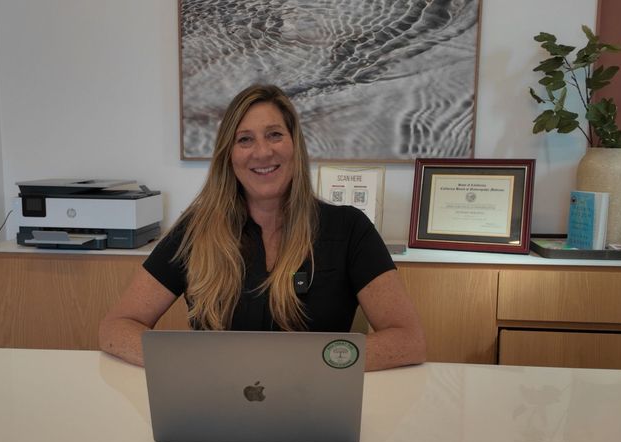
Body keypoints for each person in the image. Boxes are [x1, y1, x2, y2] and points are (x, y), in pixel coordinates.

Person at [99, 84, 426, 371]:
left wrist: (314, 364)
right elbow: (116, 327)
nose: (262, 152)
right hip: (217, 408)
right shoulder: (195, 230)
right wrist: (184, 363)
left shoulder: (349, 229)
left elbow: (408, 340)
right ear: (229, 155)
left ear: (294, 145)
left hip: (313, 407)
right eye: (245, 140)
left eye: (274, 135)